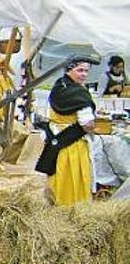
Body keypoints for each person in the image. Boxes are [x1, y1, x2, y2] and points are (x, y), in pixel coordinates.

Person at [35, 56, 98, 206]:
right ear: (69, 70)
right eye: (80, 70)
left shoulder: (59, 86)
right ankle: (71, 205)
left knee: (58, 172)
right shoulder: (79, 93)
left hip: (55, 139)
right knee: (72, 175)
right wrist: (93, 128)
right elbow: (86, 123)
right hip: (72, 143)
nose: (83, 74)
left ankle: (55, 202)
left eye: (86, 71)